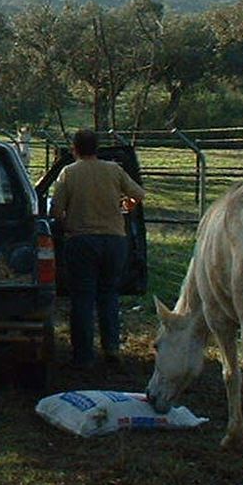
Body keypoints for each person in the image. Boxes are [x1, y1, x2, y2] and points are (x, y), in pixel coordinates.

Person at [50, 128, 145, 369]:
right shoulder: (113, 169)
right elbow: (138, 194)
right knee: (109, 294)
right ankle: (111, 347)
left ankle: (83, 356)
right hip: (115, 241)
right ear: (97, 148)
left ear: (75, 149)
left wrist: (67, 223)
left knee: (82, 298)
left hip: (81, 241)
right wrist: (124, 210)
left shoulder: (68, 173)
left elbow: (55, 211)